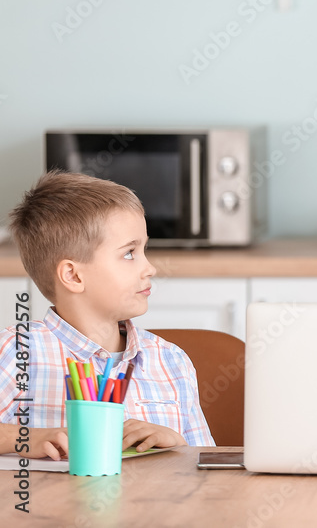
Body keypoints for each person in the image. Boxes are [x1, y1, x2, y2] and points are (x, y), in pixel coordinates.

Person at [0, 171, 215, 460]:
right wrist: (26, 438)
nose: (149, 268)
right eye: (129, 253)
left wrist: (177, 443)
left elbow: (207, 465)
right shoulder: (16, 351)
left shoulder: (172, 361)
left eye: (144, 250)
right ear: (73, 275)